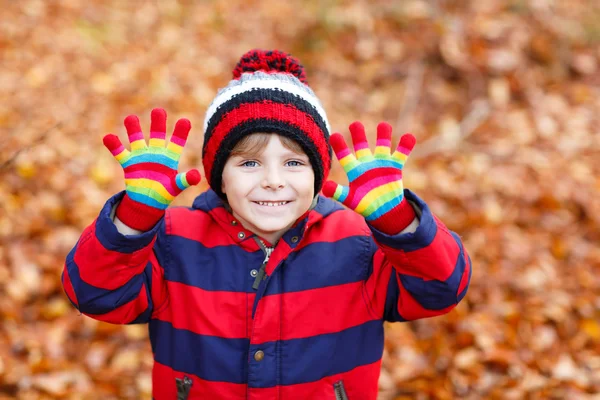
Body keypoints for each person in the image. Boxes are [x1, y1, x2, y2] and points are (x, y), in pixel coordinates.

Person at [62, 49, 472, 400]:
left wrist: (399, 223)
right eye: (250, 163)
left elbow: (442, 289)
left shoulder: (357, 244)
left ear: (318, 174)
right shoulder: (176, 242)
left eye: (293, 163)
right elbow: (94, 294)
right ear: (219, 175)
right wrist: (134, 220)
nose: (273, 180)